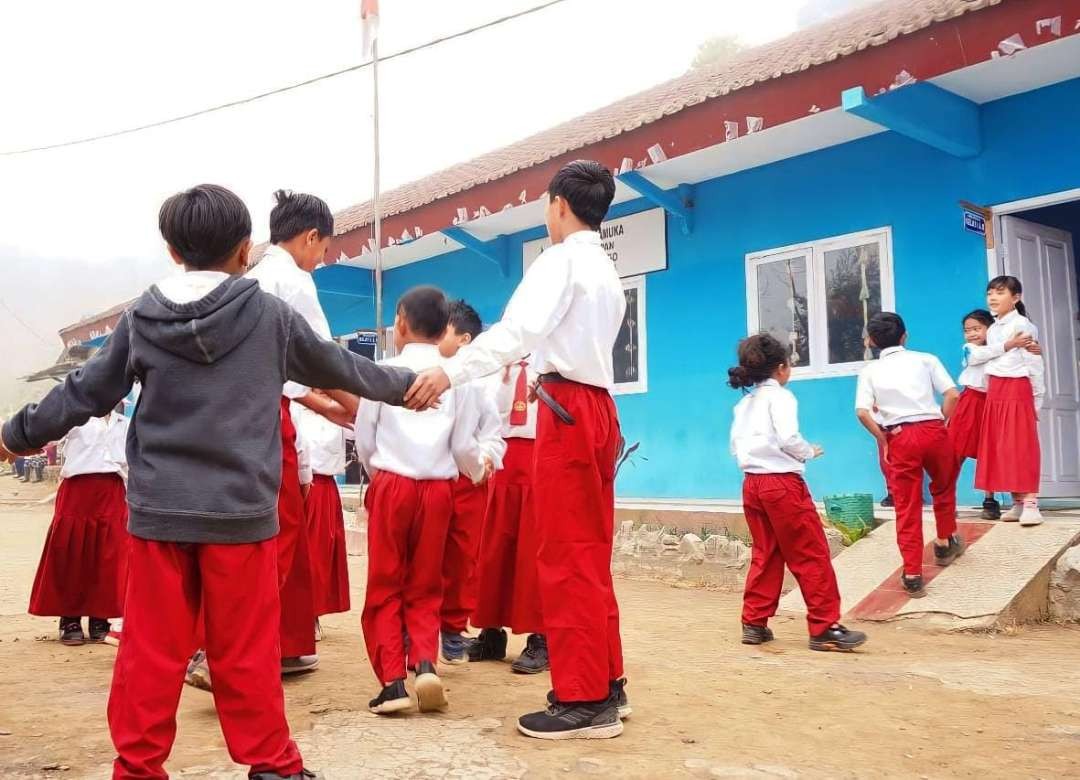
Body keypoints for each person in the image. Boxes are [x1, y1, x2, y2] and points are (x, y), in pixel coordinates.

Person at [0, 183, 422, 779]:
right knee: (246, 649)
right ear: (245, 248)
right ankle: (272, 764)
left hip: (159, 516)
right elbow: (339, 366)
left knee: (150, 651)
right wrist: (409, 386)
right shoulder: (270, 316)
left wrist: (14, 435)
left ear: (172, 250)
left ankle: (138, 769)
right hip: (241, 516)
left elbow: (84, 392)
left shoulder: (142, 318)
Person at [406, 160, 629, 740]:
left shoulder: (559, 261)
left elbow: (513, 334)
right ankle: (607, 681)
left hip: (566, 409)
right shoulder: (605, 268)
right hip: (597, 407)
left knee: (565, 554)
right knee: (589, 549)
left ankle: (583, 698)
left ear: (558, 204)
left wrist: (451, 373)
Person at [355, 286, 487, 715]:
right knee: (427, 583)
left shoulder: (382, 370)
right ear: (443, 328)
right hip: (439, 488)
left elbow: (364, 441)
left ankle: (392, 680)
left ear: (401, 322)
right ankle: (425, 662)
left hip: (393, 483)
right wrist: (475, 471)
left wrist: (381, 476)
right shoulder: (455, 378)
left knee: (385, 583)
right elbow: (466, 444)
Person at [729, 334, 866, 651]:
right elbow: (789, 437)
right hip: (781, 484)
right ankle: (823, 626)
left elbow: (735, 446)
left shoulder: (743, 404)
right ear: (781, 368)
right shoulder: (781, 398)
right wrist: (807, 452)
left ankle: (754, 622)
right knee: (810, 552)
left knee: (766, 553)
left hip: (752, 483)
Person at [855, 312, 964, 598]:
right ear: (905, 336)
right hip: (933, 430)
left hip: (900, 435)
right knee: (943, 487)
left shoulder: (870, 371)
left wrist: (884, 439)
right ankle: (943, 542)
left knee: (907, 505)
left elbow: (862, 411)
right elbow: (953, 395)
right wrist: (941, 422)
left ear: (871, 341)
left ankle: (913, 573)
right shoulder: (926, 359)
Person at [468, 353, 549, 674]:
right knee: (493, 549)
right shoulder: (496, 362)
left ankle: (542, 636)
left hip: (539, 457)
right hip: (501, 461)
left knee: (533, 552)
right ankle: (490, 630)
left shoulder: (554, 359)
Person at [436, 299, 506, 664]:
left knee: (462, 558)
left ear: (464, 339)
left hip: (467, 482)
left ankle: (451, 628)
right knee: (424, 557)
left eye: (442, 328)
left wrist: (484, 461)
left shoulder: (478, 383)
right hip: (429, 478)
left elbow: (492, 431)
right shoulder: (420, 370)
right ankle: (416, 631)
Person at [29, 410, 129, 645]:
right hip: (77, 491)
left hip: (113, 491)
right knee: (71, 553)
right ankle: (70, 619)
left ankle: (100, 618)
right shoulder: (76, 414)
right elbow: (48, 435)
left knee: (108, 556)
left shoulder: (125, 423)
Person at [975, 276, 1047, 526]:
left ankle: (1030, 503)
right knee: (1001, 446)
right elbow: (982, 358)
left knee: (1021, 444)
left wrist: (1037, 399)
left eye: (1000, 292)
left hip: (1017, 388)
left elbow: (1034, 363)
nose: (993, 297)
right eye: (990, 293)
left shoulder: (1023, 325)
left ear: (1016, 297)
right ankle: (1017, 502)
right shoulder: (994, 328)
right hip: (996, 390)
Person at [292, 401, 351, 628]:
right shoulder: (294, 407)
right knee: (296, 552)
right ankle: (296, 613)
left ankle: (312, 613)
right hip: (295, 483)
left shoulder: (338, 410)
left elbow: (364, 429)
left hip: (324, 487)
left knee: (319, 553)